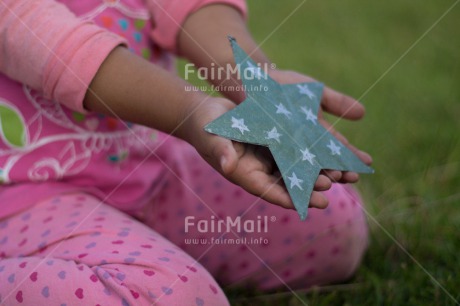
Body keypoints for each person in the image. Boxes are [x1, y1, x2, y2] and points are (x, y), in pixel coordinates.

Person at [0, 0, 373, 305]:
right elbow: (42, 38)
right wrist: (191, 112)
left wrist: (258, 83)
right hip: (27, 198)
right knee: (179, 298)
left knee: (333, 226)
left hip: (150, 166)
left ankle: (135, 247)